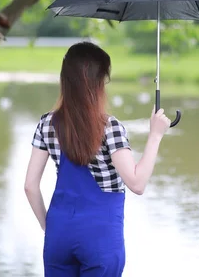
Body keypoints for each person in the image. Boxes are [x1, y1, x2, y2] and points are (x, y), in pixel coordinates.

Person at [24, 42, 172, 277]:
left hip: (58, 234)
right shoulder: (109, 127)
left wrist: (48, 226)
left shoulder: (46, 124)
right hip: (100, 237)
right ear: (97, 83)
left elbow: (30, 186)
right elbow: (137, 183)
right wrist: (155, 135)